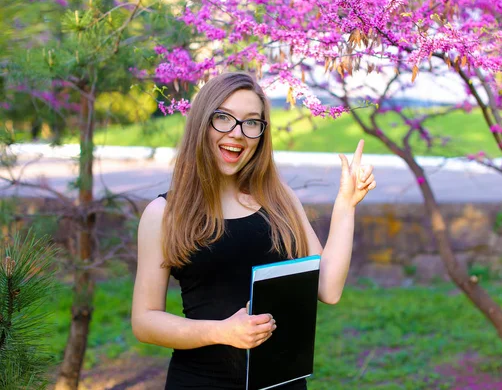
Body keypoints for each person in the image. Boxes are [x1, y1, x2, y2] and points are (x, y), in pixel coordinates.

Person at [131, 72, 376, 389]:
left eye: (251, 123)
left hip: (280, 383)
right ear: (202, 123)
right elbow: (145, 321)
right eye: (223, 118)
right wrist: (222, 331)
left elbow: (328, 288)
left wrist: (346, 204)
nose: (237, 133)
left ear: (261, 133)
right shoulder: (164, 214)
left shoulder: (278, 198)